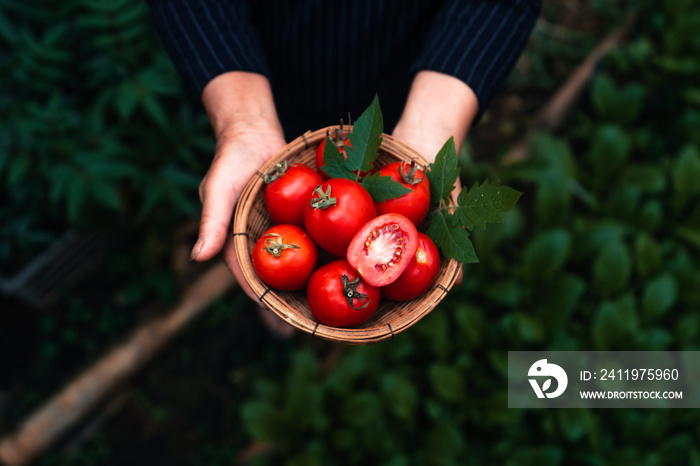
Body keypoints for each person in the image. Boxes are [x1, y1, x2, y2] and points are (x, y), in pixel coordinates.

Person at [146, 0, 541, 304]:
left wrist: (433, 123)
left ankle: (296, 306)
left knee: (300, 272)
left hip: (416, 70)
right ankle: (285, 309)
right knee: (265, 245)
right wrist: (242, 121)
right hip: (259, 70)